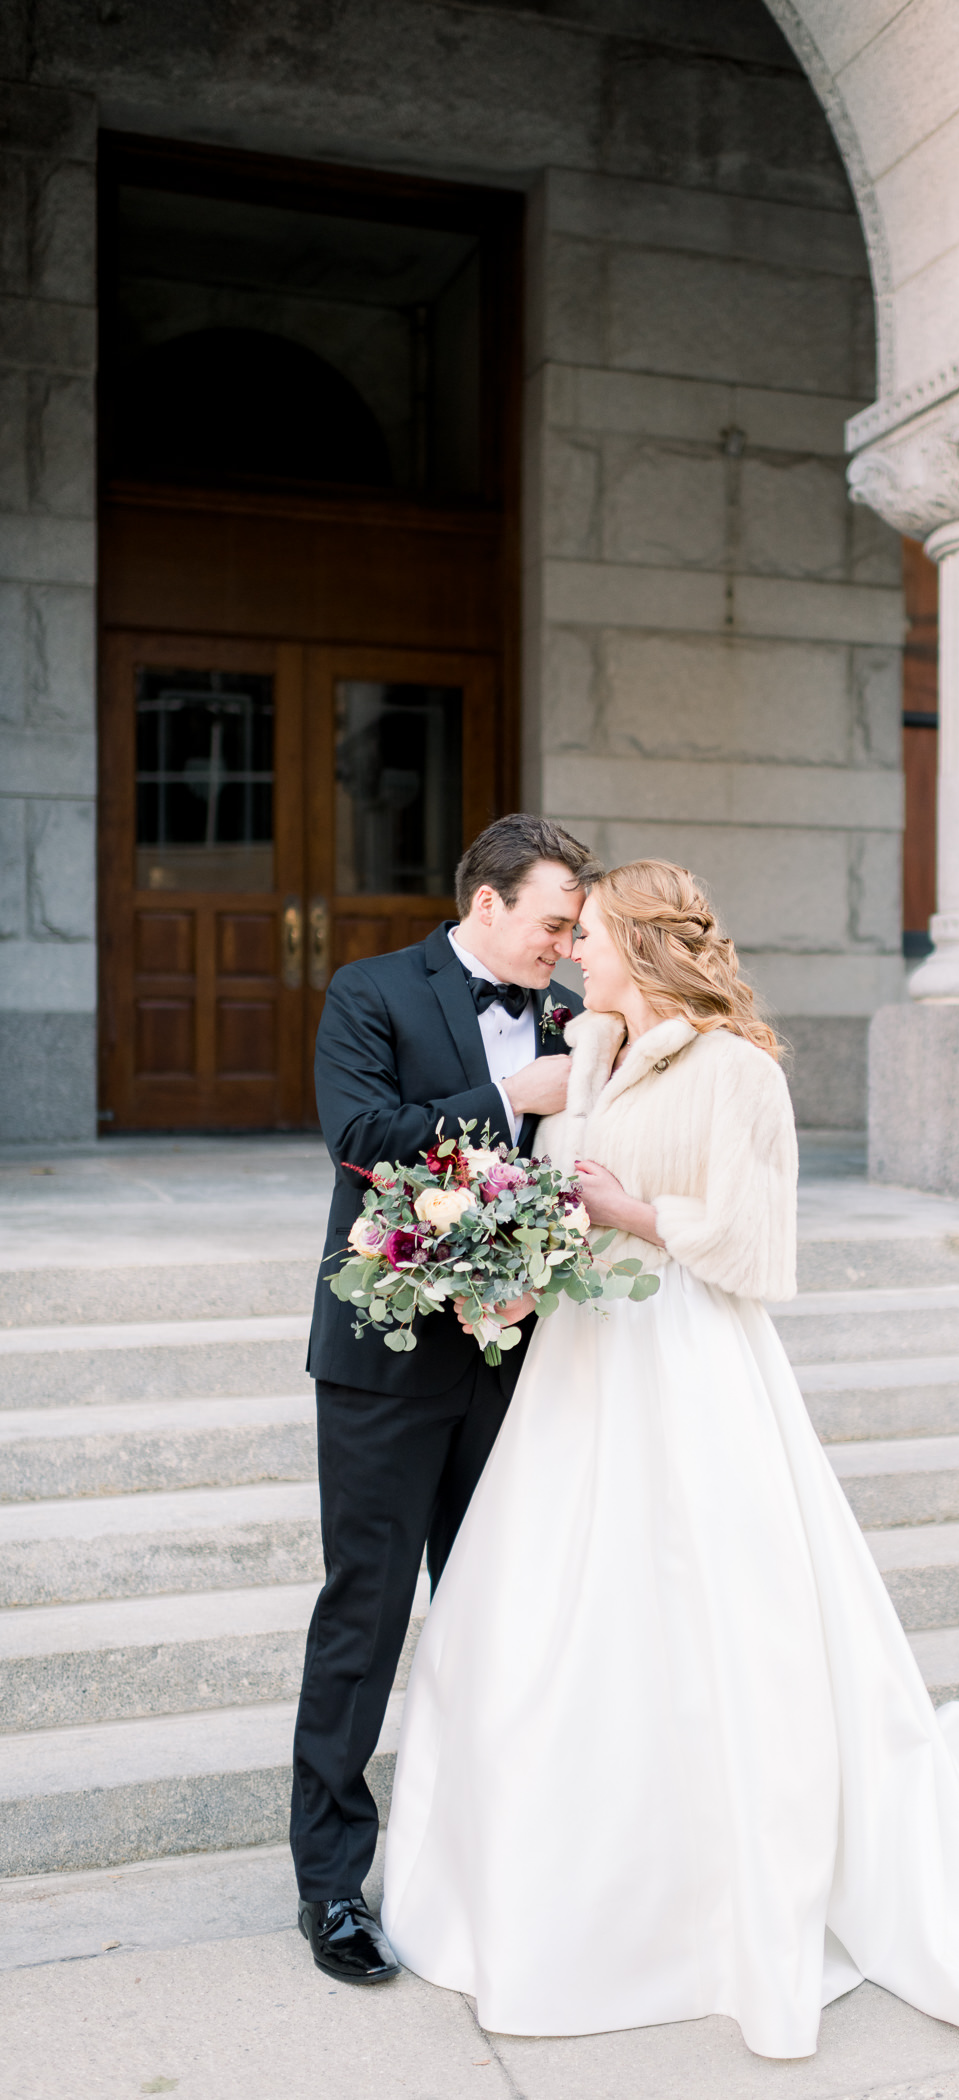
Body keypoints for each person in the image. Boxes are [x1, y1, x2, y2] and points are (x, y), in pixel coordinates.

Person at [380, 859, 959, 2064]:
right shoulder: (590, 1050)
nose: (574, 953)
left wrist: (628, 1210)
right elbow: (529, 1151)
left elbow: (756, 1245)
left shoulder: (737, 1071)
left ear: (640, 944)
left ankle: (724, 1893)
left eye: (588, 935)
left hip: (682, 1357)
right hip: (578, 1363)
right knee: (543, 1610)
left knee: (706, 1609)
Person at [292, 812, 599, 1986]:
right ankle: (332, 1889)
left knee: (500, 1617)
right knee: (362, 1624)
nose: (563, 950)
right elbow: (363, 1140)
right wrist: (510, 1088)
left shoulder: (575, 1016)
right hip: (383, 1363)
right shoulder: (370, 991)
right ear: (486, 903)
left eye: (573, 932)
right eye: (552, 924)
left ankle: (484, 1861)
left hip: (519, 1361)